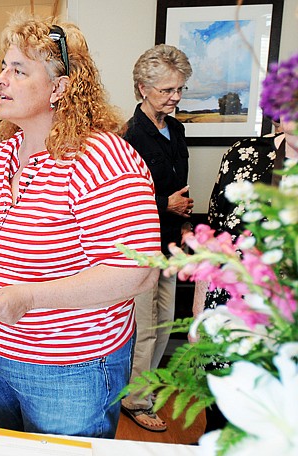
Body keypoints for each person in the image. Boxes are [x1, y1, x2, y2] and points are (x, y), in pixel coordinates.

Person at [0, 14, 160, 438]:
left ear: (60, 87)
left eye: (18, 70)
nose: (1, 80)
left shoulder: (103, 159)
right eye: (3, 67)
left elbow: (137, 272)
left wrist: (29, 297)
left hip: (71, 368)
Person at [192, 118, 296, 433]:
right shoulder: (245, 153)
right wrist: (199, 304)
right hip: (229, 306)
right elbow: (212, 232)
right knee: (221, 409)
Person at [119, 44, 194, 433]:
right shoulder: (128, 135)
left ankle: (141, 389)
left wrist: (183, 223)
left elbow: (180, 182)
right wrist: (166, 203)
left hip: (170, 242)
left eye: (179, 89)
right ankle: (136, 399)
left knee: (165, 322)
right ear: (142, 88)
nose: (176, 96)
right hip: (142, 244)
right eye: (168, 90)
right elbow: (121, 199)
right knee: (145, 324)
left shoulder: (176, 128)